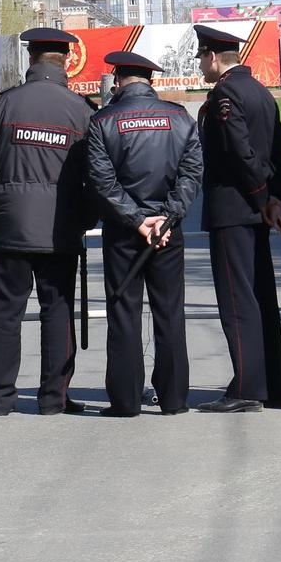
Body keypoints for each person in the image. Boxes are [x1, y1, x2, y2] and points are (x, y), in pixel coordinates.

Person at [0, 27, 94, 416]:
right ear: (66, 61)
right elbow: (97, 175)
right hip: (60, 232)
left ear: (30, 59)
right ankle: (53, 398)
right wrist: (81, 220)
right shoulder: (81, 110)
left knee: (4, 313)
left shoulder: (2, 106)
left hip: (12, 231)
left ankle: (2, 398)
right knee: (57, 312)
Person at [86, 50, 203, 417]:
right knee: (170, 312)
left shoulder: (103, 121)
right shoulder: (180, 117)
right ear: (149, 82)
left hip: (124, 234)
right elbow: (192, 174)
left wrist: (137, 221)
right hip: (168, 234)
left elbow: (102, 182)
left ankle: (125, 400)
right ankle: (173, 399)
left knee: (124, 312)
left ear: (118, 81)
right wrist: (165, 219)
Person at [194, 23, 281, 414]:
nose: (201, 66)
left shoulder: (226, 94)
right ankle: (270, 384)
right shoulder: (262, 92)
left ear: (213, 57)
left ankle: (248, 388)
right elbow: (280, 155)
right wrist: (274, 199)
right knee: (261, 298)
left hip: (235, 208)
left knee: (237, 301)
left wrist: (261, 196)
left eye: (202, 58)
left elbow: (238, 151)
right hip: (258, 209)